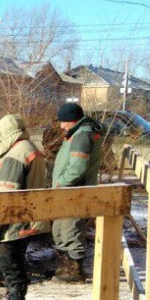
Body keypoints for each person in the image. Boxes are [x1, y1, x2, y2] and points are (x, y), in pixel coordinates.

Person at [0, 114, 50, 300]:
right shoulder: (31, 149)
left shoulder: (15, 155)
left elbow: (5, 196)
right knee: (17, 261)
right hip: (29, 218)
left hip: (13, 223)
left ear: (4, 134)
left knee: (9, 264)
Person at [50, 102, 103, 283]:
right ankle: (66, 266)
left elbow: (77, 168)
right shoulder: (77, 133)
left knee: (70, 227)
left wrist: (61, 182)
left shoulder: (82, 136)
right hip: (67, 190)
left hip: (73, 191)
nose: (61, 126)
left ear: (74, 120)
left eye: (64, 122)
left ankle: (74, 271)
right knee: (61, 228)